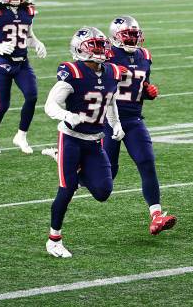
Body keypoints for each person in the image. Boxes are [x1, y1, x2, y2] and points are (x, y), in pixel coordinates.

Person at [43, 27, 124, 258]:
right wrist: (67, 115)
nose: (100, 51)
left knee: (103, 191)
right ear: (80, 49)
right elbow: (50, 106)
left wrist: (115, 124)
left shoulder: (111, 72)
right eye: (94, 46)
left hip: (94, 141)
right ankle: (54, 239)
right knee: (66, 189)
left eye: (102, 45)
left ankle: (71, 168)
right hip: (71, 139)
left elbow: (110, 101)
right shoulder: (73, 72)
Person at [102, 16, 178, 234]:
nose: (133, 39)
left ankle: (156, 215)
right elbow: (96, 84)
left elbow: (142, 84)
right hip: (108, 120)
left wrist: (148, 92)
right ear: (115, 37)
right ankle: (74, 176)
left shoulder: (144, 55)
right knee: (108, 174)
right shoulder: (106, 55)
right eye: (128, 35)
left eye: (135, 35)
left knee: (146, 161)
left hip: (134, 118)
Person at [0, 0, 47, 155]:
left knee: (32, 96)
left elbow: (28, 36)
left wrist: (38, 43)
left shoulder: (27, 11)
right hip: (2, 63)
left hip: (22, 62)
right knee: (2, 106)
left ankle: (21, 136)